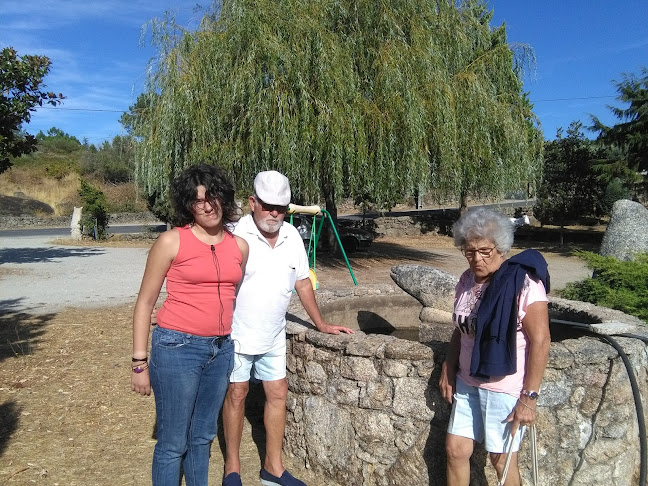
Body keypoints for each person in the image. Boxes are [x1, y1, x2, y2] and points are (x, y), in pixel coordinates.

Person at [222, 170, 354, 486]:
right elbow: (218, 283)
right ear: (253, 202)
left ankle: (273, 468)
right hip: (237, 333)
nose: (274, 214)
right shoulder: (235, 237)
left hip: (273, 333)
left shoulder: (291, 235)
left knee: (277, 393)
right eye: (268, 206)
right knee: (237, 393)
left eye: (280, 208)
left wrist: (320, 323)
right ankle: (232, 469)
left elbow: (303, 282)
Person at [131, 164, 249, 486]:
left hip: (221, 349)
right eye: (198, 201)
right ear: (188, 205)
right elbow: (145, 302)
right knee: (173, 443)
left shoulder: (239, 246)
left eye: (212, 197)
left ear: (223, 198)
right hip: (177, 349)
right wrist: (139, 362)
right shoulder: (171, 242)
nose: (207, 206)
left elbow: (229, 294)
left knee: (203, 436)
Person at [439, 208, 550, 486]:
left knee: (501, 460)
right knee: (455, 450)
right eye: (469, 251)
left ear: (500, 248)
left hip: (504, 388)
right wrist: (448, 366)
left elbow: (541, 341)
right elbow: (461, 330)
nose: (477, 258)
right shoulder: (466, 280)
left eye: (485, 251)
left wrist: (529, 397)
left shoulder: (524, 284)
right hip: (467, 381)